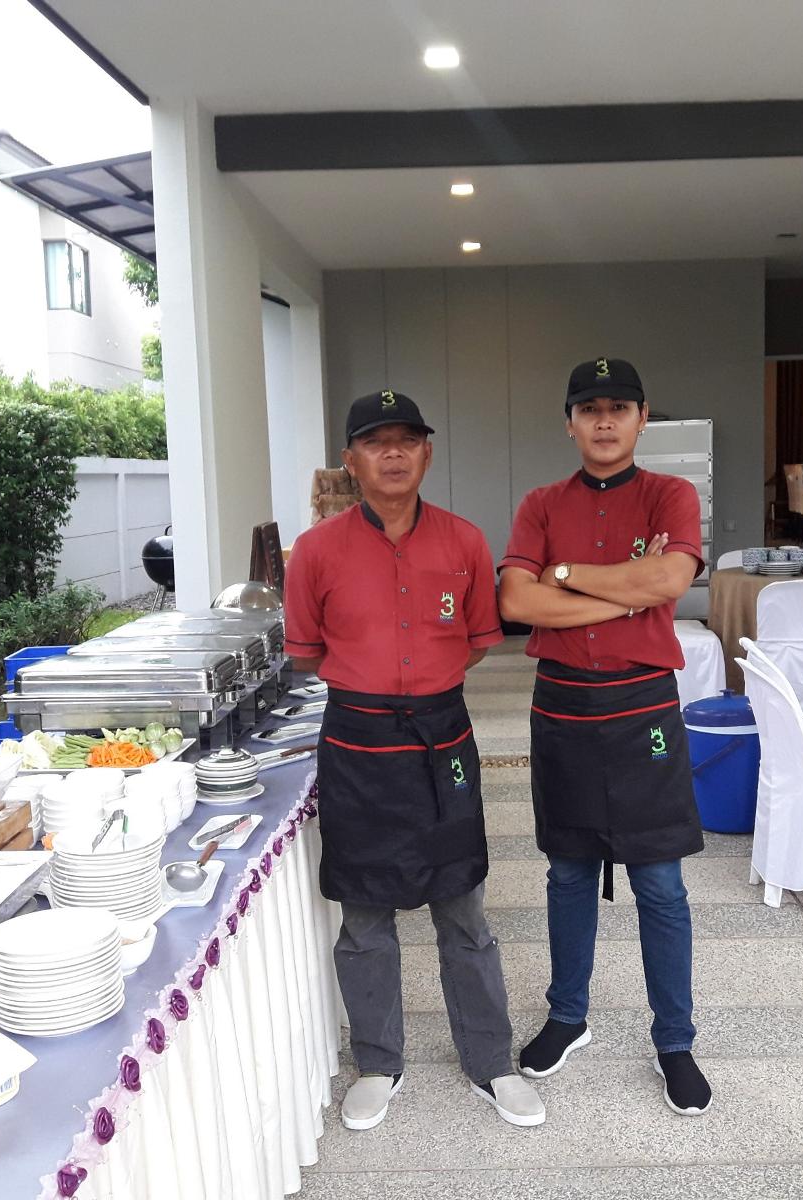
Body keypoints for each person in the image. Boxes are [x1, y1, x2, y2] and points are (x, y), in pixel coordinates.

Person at [283, 389, 544, 1131]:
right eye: (376, 442)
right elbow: (306, 652)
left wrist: (420, 684)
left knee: (464, 910)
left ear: (427, 453)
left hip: (442, 739)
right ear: (351, 460)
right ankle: (377, 1062)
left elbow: (477, 641)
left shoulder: (464, 541)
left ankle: (490, 1060)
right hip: (357, 744)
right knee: (364, 918)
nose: (393, 453)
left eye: (407, 439)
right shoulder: (316, 552)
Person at [498, 357, 713, 1116]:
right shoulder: (540, 503)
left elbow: (667, 582)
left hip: (641, 706)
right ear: (570, 422)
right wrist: (621, 593)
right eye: (589, 408)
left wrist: (563, 576)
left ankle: (675, 1040)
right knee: (567, 874)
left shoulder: (669, 494)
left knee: (660, 883)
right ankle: (568, 1016)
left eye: (619, 407)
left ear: (642, 418)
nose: (604, 420)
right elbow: (516, 600)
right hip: (562, 707)